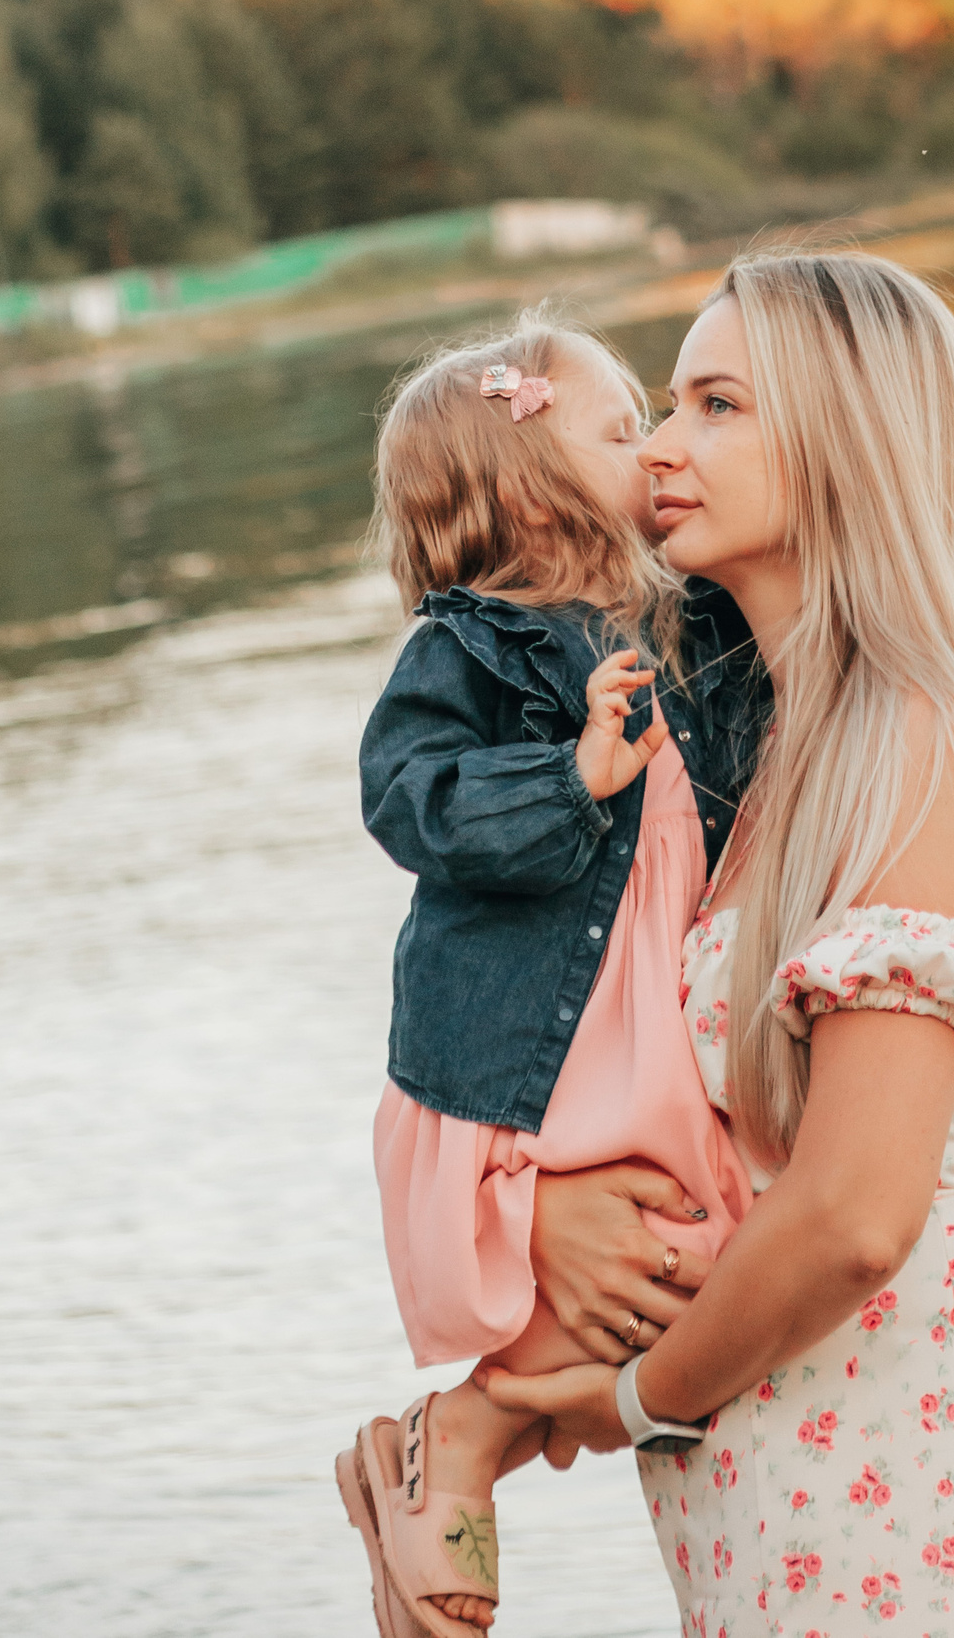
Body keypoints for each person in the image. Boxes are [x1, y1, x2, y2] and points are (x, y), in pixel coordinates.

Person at [483, 251, 954, 1636]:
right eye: (671, 404)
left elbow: (857, 1214)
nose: (662, 446)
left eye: (719, 404)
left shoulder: (927, 748)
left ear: (850, 438)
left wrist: (635, 1403)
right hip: (772, 1536)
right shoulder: (778, 770)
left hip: (895, 1541)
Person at [334, 311, 770, 1637]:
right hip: (540, 1052)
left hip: (648, 1028)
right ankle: (461, 1447)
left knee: (693, 1251)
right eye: (625, 427)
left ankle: (455, 1442)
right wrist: (566, 778)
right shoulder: (470, 647)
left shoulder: (691, 617)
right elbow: (405, 797)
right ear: (529, 486)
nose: (656, 448)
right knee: (648, 1258)